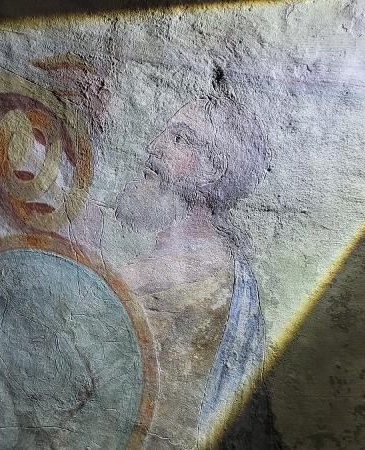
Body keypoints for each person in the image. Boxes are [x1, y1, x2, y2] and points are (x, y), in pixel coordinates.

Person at [108, 95, 282, 447]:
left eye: (179, 139)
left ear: (212, 171)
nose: (153, 146)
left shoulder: (186, 272)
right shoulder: (210, 260)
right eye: (164, 134)